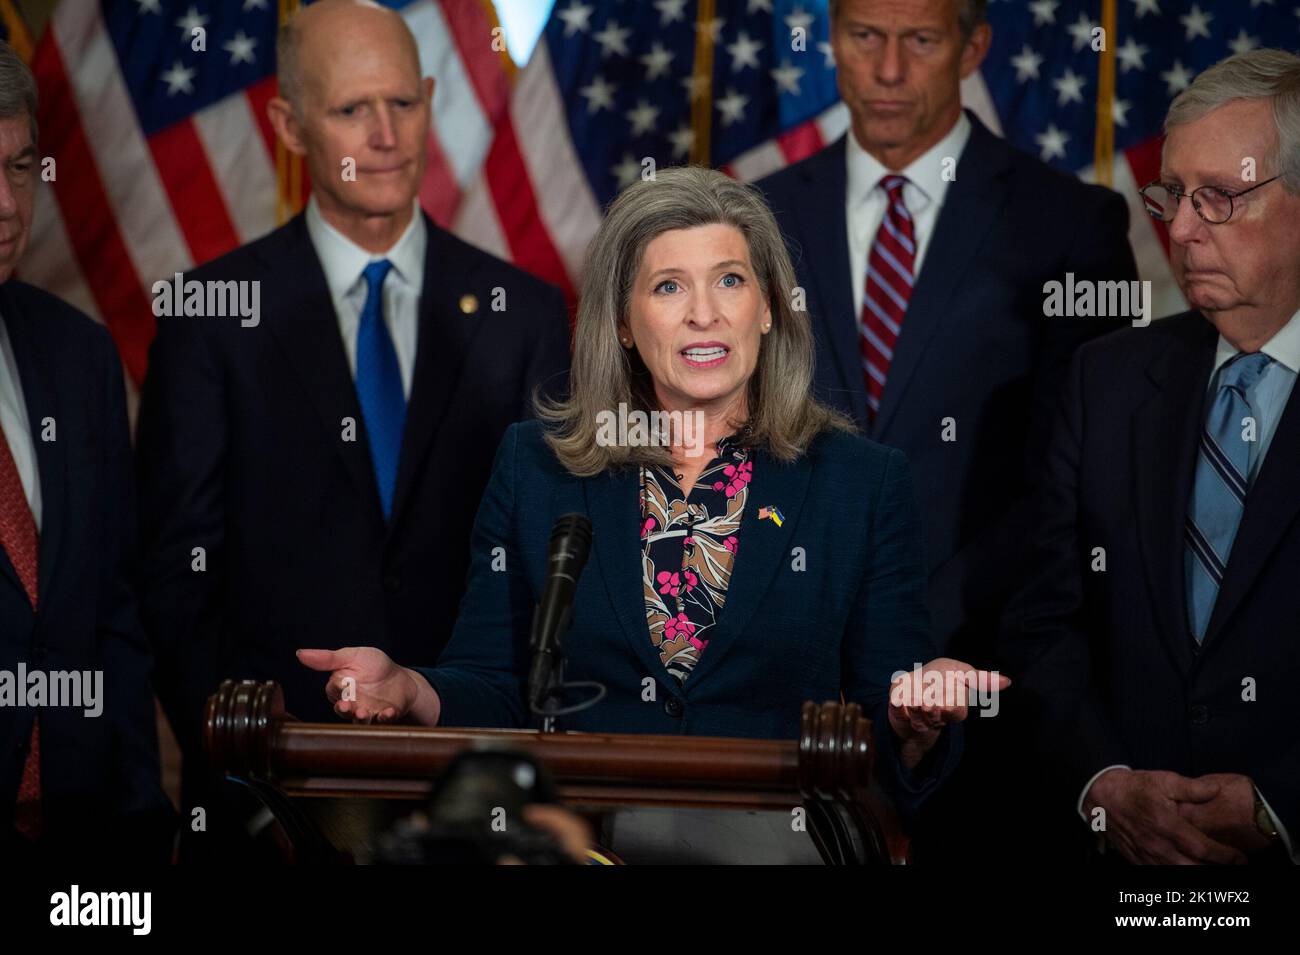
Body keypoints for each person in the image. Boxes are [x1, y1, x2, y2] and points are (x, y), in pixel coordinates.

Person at [301, 166, 1008, 823]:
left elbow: (886, 720)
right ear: (622, 323)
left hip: (776, 838)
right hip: (584, 836)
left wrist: (918, 710)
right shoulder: (537, 466)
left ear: (767, 308)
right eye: (669, 286)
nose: (705, 313)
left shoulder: (863, 482)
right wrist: (410, 690)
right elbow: (495, 683)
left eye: (730, 281)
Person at [755, 0, 1138, 860]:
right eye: (864, 37)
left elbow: (1076, 490)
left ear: (972, 47)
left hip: (992, 694)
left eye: (920, 40)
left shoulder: (1070, 223)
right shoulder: (754, 217)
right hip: (789, 694)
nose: (888, 70)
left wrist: (926, 638)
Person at [135, 0, 569, 751]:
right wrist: (249, 776)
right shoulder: (207, 318)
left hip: (477, 775)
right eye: (350, 109)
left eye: (403, 101)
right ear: (290, 127)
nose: (385, 136)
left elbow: (551, 567)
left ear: (432, 100)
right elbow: (176, 577)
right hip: (271, 787)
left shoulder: (524, 314)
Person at [1001, 49, 1300, 864]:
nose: (1181, 227)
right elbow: (1040, 621)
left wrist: (1279, 801)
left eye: (1220, 197)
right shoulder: (1108, 376)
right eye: (1173, 195)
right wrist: (1104, 782)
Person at [0, 40, 170, 860]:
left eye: (20, 167)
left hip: (82, 836)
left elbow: (113, 613)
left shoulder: (77, 355)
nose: (5, 203)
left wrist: (141, 821)